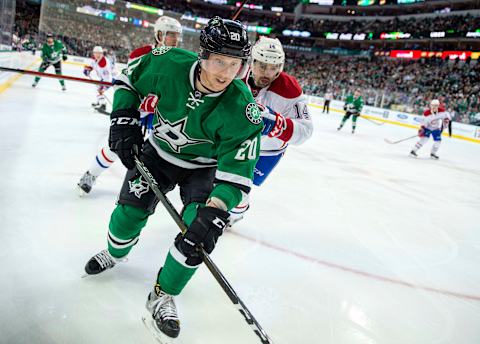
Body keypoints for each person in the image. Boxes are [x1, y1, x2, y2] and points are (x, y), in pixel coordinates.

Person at [83, 17, 262, 340]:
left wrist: (217, 209)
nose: (225, 72)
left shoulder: (243, 109)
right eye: (219, 61)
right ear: (203, 55)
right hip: (158, 154)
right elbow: (129, 80)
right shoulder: (168, 62)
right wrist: (123, 118)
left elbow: (236, 177)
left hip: (204, 170)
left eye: (234, 64)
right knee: (126, 218)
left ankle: (163, 294)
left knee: (200, 234)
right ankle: (115, 253)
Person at [77, 16, 182, 194]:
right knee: (119, 145)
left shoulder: (179, 59)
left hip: (160, 113)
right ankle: (91, 174)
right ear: (159, 35)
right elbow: (132, 82)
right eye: (171, 35)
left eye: (177, 36)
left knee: (162, 151)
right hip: (139, 110)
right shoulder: (141, 54)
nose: (175, 40)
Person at [229, 36, 313, 224]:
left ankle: (233, 215)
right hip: (233, 143)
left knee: (242, 190)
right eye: (263, 66)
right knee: (222, 182)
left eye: (274, 67)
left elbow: (306, 130)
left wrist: (276, 124)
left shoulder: (290, 89)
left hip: (267, 151)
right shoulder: (234, 74)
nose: (268, 72)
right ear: (252, 61)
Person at [83, 46, 114, 115]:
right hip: (104, 78)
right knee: (97, 88)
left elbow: (108, 78)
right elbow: (91, 65)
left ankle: (103, 105)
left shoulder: (104, 64)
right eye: (95, 53)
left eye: (99, 53)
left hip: (110, 79)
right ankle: (99, 101)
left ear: (102, 54)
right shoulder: (95, 59)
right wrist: (87, 69)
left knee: (99, 90)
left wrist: (104, 87)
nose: (97, 55)